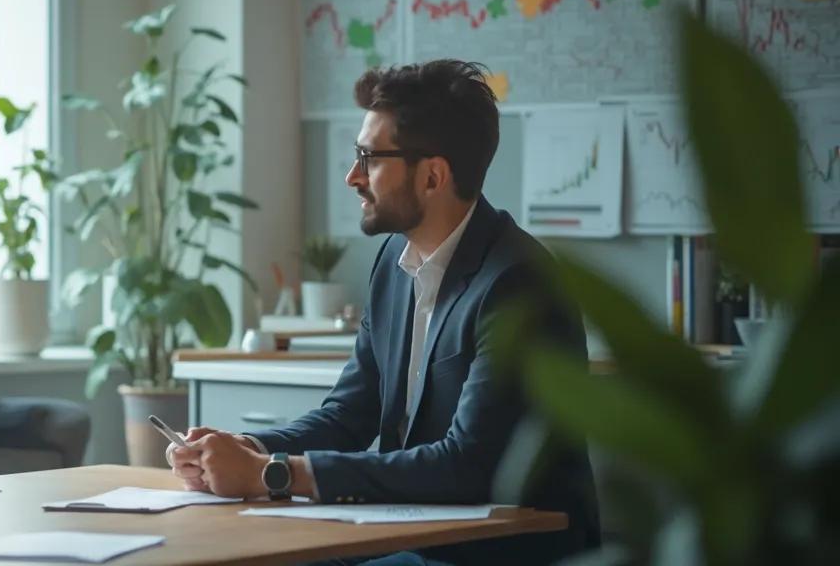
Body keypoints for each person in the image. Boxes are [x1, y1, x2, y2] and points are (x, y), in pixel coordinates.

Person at [169, 60, 600, 565]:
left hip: (499, 550)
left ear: (433, 176)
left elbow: (466, 466)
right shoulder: (392, 266)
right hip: (414, 532)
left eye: (369, 158)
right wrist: (245, 447)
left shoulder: (517, 282)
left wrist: (273, 474)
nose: (353, 177)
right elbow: (348, 415)